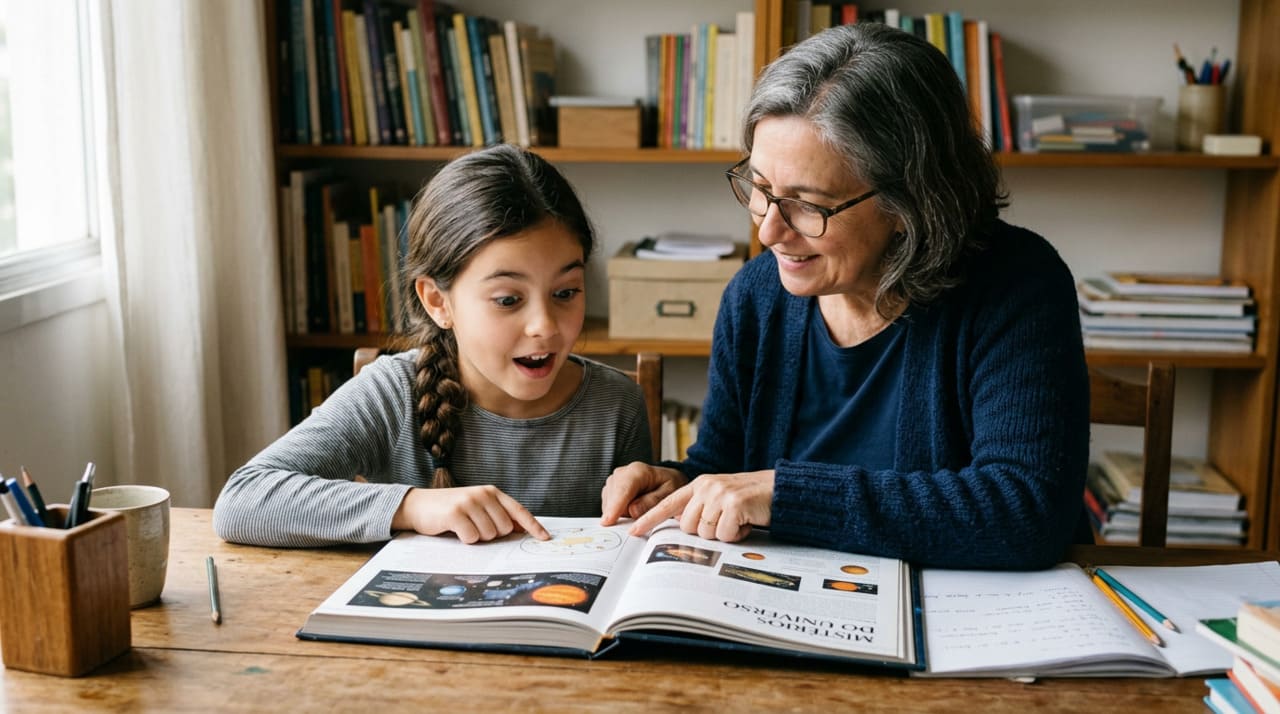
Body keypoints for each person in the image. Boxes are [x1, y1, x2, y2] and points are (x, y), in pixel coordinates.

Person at [601, 23, 1090, 570]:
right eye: (760, 189)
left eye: (808, 204)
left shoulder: (1016, 283)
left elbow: (1026, 512)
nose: (768, 231)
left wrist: (786, 495)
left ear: (911, 202)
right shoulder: (756, 296)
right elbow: (727, 464)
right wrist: (680, 484)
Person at [215, 144, 653, 548]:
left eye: (566, 292)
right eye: (507, 300)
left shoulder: (618, 405)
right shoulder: (393, 393)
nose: (544, 326)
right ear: (438, 302)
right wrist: (411, 506)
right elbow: (242, 501)